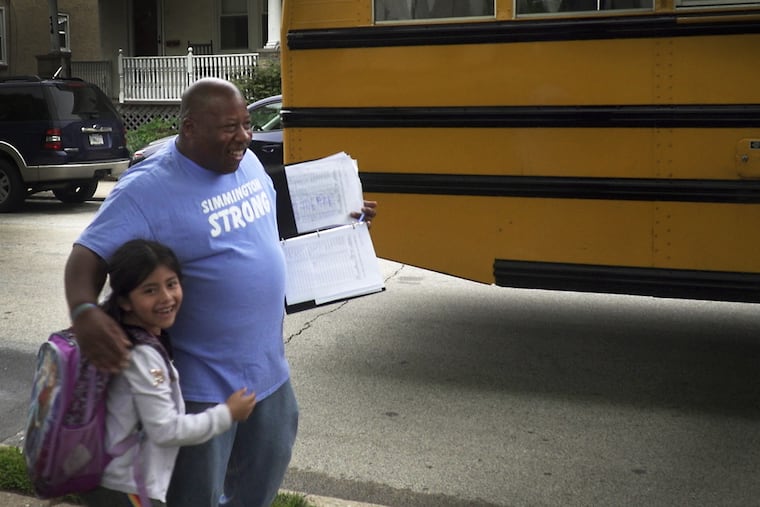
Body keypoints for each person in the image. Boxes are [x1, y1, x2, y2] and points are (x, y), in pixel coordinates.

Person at [64, 77, 378, 507]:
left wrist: (343, 219)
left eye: (247, 125)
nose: (244, 137)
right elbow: (87, 255)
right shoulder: (145, 189)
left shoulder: (245, 164)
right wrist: (84, 311)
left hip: (269, 376)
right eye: (230, 127)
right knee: (195, 498)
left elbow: (262, 232)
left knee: (257, 492)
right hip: (200, 390)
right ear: (190, 128)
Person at [81, 239, 256, 507]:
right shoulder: (141, 356)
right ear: (126, 301)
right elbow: (166, 430)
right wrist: (227, 414)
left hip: (114, 478)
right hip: (126, 488)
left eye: (171, 284)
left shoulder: (127, 338)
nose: (166, 297)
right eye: (150, 290)